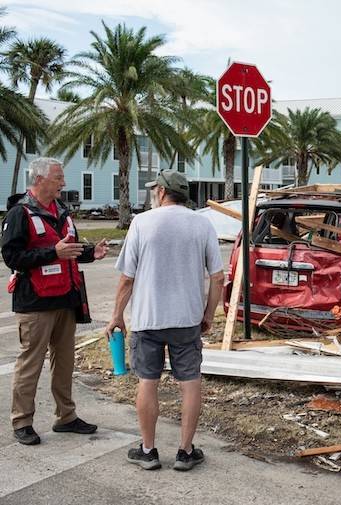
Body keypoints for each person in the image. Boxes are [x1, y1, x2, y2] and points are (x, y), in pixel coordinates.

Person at [106, 169, 224, 471]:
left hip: (148, 319)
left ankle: (148, 450)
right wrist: (208, 314)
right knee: (190, 382)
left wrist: (117, 315)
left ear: (160, 192)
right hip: (186, 320)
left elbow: (127, 279)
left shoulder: (142, 223)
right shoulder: (202, 224)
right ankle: (185, 452)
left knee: (148, 381)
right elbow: (218, 277)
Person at [1, 157, 109, 445]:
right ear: (39, 179)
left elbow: (68, 248)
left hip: (65, 299)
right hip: (35, 303)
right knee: (30, 364)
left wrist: (90, 253)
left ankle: (67, 417)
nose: (64, 182)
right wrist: (52, 254)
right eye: (58, 177)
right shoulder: (19, 213)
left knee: (64, 363)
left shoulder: (61, 210)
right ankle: (22, 421)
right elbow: (11, 257)